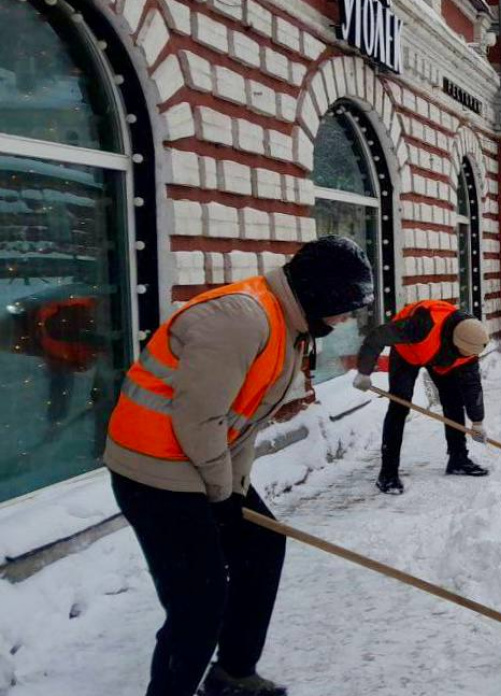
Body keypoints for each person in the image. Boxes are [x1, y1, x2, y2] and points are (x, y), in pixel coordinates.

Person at [104, 236, 375, 696]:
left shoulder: (288, 322)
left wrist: (232, 487)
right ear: (322, 294)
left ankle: (233, 674)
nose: (347, 319)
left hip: (194, 458)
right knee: (198, 604)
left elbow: (241, 419)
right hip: (154, 471)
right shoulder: (241, 319)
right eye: (346, 307)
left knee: (261, 548)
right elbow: (199, 418)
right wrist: (221, 494)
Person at [353, 299, 491, 494]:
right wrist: (364, 371)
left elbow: (472, 386)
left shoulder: (471, 345)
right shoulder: (421, 325)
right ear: (456, 343)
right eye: (465, 354)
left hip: (439, 356)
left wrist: (477, 421)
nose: (467, 358)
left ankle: (458, 459)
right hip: (407, 353)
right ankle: (388, 474)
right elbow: (377, 336)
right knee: (399, 407)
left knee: (454, 400)